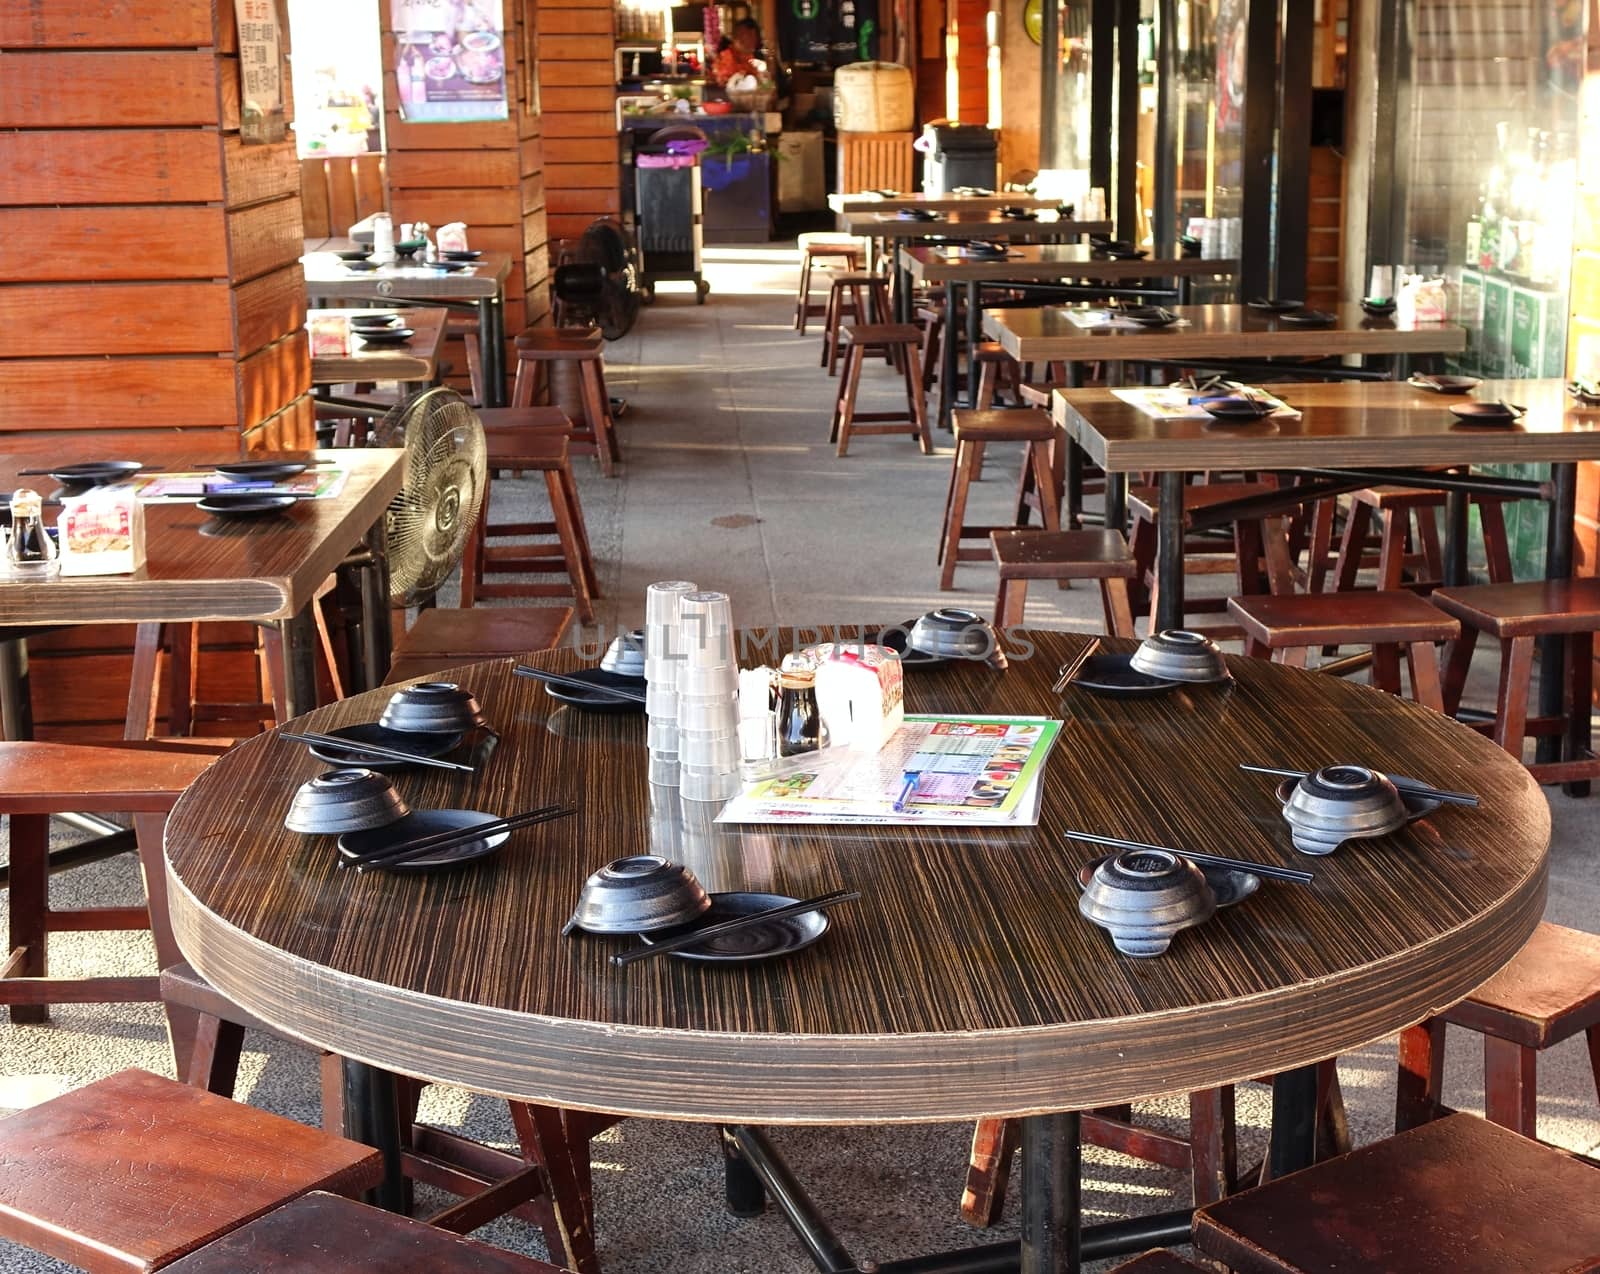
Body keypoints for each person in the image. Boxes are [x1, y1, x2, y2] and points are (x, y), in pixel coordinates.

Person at [711, 18, 765, 86]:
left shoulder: (758, 58)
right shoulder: (725, 58)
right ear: (738, 36)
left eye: (755, 35)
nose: (754, 39)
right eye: (750, 35)